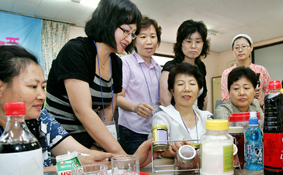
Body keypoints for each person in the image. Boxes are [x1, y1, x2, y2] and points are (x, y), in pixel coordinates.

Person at [0, 45, 159, 175]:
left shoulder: (41, 120)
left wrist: (129, 162)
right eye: (33, 87)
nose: (42, 95)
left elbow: (84, 157)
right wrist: (62, 169)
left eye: (43, 87)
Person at [45, 0, 141, 154]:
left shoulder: (116, 62)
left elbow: (107, 110)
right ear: (108, 22)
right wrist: (121, 155)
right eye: (125, 31)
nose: (129, 39)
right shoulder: (76, 51)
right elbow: (82, 110)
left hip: (88, 139)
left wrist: (99, 146)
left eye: (132, 34)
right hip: (59, 140)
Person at [117, 16, 162, 154]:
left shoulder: (159, 68)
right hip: (132, 131)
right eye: (143, 37)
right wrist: (135, 107)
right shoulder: (125, 63)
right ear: (134, 39)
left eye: (153, 36)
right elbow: (118, 97)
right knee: (135, 171)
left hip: (155, 129)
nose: (149, 42)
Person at [151, 63, 212, 156]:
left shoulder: (206, 118)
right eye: (180, 84)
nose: (187, 89)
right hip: (173, 169)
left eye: (192, 84)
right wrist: (171, 150)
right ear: (172, 90)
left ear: (198, 89)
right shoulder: (162, 118)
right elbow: (158, 150)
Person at [160, 20, 210, 110]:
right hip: (174, 119)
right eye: (188, 41)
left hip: (197, 118)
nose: (193, 46)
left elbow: (203, 97)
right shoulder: (170, 67)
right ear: (181, 43)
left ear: (203, 44)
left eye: (198, 41)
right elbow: (165, 102)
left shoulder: (201, 67)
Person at [221, 34, 270, 106]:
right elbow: (225, 98)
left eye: (244, 46)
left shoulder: (261, 70)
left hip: (257, 111)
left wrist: (261, 103)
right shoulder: (227, 73)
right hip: (235, 112)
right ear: (232, 50)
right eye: (237, 47)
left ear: (251, 47)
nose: (240, 50)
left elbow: (270, 92)